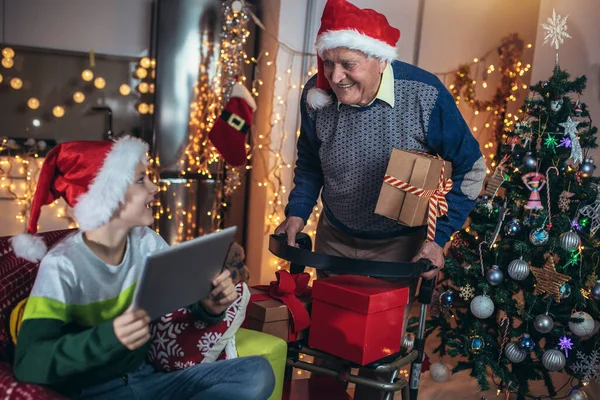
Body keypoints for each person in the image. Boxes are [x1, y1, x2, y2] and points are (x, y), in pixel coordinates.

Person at [275, 1, 486, 397]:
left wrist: (438, 241)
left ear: (377, 59)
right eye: (328, 62)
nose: (334, 77)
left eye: (348, 64)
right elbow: (309, 163)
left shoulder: (423, 94)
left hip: (397, 248)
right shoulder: (315, 92)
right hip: (334, 238)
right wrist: (297, 214)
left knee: (375, 359)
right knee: (326, 346)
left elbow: (472, 169)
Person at [11, 136, 275, 400]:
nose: (154, 188)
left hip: (149, 380)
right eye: (140, 180)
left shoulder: (147, 242)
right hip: (96, 391)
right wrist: (109, 336)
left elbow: (185, 301)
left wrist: (210, 306)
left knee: (257, 374)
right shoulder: (62, 266)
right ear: (108, 195)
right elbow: (28, 363)